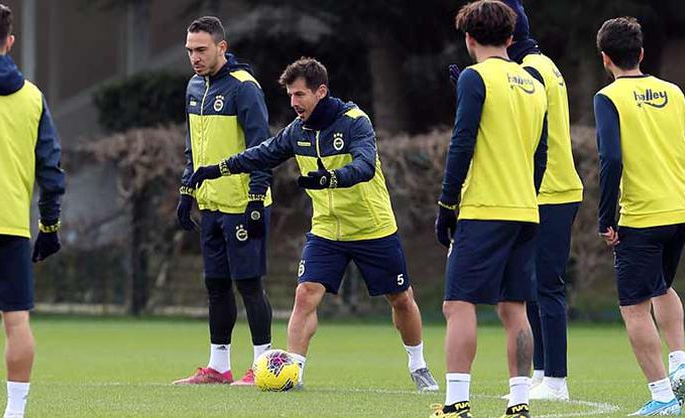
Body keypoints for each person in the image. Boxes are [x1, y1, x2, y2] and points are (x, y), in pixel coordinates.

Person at [187, 57, 439, 392]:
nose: (294, 102)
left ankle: (418, 365)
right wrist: (217, 169)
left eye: (300, 95)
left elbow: (364, 166)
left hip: (372, 227)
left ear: (321, 91)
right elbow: (261, 154)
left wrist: (331, 178)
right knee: (305, 294)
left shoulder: (355, 122)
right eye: (290, 95)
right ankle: (293, 374)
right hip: (326, 230)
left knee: (401, 299)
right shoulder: (297, 131)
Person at [432, 1, 548, 417]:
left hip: (484, 207)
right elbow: (541, 154)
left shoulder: (474, 77)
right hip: (525, 208)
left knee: (458, 304)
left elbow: (462, 142)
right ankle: (519, 403)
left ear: (469, 38)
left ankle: (456, 402)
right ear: (511, 38)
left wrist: (447, 203)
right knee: (515, 308)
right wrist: (527, 194)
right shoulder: (534, 82)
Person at [594, 16, 685, 416]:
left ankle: (662, 397)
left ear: (605, 58)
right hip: (680, 209)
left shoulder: (608, 97)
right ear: (641, 53)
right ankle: (679, 361)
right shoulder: (673, 92)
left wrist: (606, 218)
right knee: (661, 287)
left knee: (634, 306)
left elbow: (611, 159)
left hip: (642, 216)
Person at [0, 1, 66, 417]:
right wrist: (49, 225)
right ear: (9, 41)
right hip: (11, 225)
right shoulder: (32, 97)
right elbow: (51, 169)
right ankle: (15, 412)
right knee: (17, 321)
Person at [173, 16, 274, 386]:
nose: (195, 57)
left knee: (249, 284)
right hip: (210, 204)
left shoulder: (244, 87)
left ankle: (262, 366)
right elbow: (193, 148)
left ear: (221, 47)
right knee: (215, 285)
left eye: (201, 50)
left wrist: (256, 197)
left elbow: (263, 147)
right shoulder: (193, 87)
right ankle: (218, 367)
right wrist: (187, 191)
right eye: (190, 51)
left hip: (242, 203)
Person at [500, 0, 582, 400]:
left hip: (551, 189)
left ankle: (557, 380)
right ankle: (541, 372)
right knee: (531, 285)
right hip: (545, 190)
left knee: (547, 285)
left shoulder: (529, 70)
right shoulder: (541, 62)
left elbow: (522, 131)